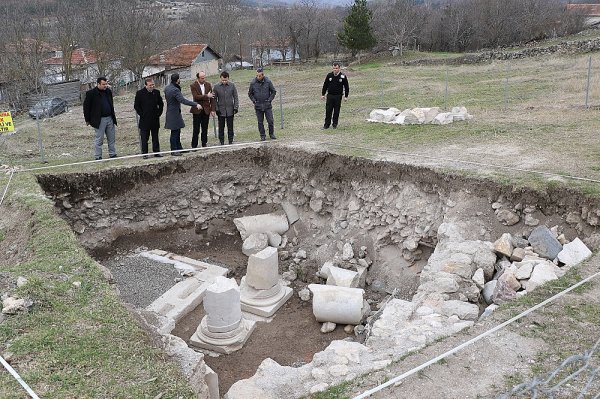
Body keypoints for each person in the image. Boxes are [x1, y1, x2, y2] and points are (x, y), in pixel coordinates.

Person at [164, 73, 201, 155]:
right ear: (177, 80)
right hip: (174, 113)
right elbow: (183, 100)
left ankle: (179, 148)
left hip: (171, 112)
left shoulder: (167, 88)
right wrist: (195, 104)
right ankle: (174, 150)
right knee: (174, 132)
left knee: (177, 131)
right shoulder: (175, 90)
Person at [83, 77, 118, 160]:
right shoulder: (91, 93)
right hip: (99, 120)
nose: (105, 86)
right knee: (99, 139)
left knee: (111, 138)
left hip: (109, 118)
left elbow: (111, 104)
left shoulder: (108, 92)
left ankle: (112, 153)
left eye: (106, 84)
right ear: (98, 84)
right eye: (103, 84)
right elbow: (86, 107)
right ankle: (98, 156)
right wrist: (87, 120)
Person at [134, 78, 164, 158]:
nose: (152, 86)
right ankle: (145, 154)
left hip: (155, 119)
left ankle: (156, 152)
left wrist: (159, 113)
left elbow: (161, 104)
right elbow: (136, 106)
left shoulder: (156, 92)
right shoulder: (140, 93)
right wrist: (142, 114)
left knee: (155, 137)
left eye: (153, 84)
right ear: (145, 85)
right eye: (150, 85)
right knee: (144, 138)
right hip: (144, 120)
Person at [248, 67, 277, 141]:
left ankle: (271, 134)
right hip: (258, 106)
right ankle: (262, 135)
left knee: (270, 120)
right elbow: (250, 94)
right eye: (257, 76)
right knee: (260, 122)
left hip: (267, 105)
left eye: (260, 76)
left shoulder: (268, 82)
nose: (258, 77)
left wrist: (269, 100)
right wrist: (254, 101)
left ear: (263, 75)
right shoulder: (253, 83)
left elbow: (273, 91)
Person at [190, 71, 215, 148]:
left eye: (204, 77)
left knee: (205, 128)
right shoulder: (193, 85)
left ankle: (204, 143)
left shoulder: (208, 85)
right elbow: (196, 97)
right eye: (202, 78)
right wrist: (207, 96)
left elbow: (212, 98)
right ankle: (194, 145)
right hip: (197, 110)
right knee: (196, 129)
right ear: (198, 78)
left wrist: (213, 109)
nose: (204, 79)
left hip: (206, 110)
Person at [212, 71, 239, 145]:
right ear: (220, 79)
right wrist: (216, 109)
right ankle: (221, 141)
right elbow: (214, 99)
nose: (224, 81)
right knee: (221, 127)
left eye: (225, 80)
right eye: (223, 80)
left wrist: (235, 107)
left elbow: (235, 97)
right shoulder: (216, 86)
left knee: (230, 126)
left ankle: (231, 140)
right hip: (221, 111)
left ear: (228, 79)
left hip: (230, 110)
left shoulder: (232, 85)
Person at [321, 62, 349, 129]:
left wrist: (346, 96)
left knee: (336, 111)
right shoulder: (329, 75)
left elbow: (346, 86)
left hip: (338, 96)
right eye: (334, 68)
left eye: (336, 68)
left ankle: (334, 124)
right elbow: (325, 85)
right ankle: (326, 125)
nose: (335, 70)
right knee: (328, 110)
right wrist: (323, 94)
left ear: (339, 68)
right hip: (330, 95)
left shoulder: (342, 76)